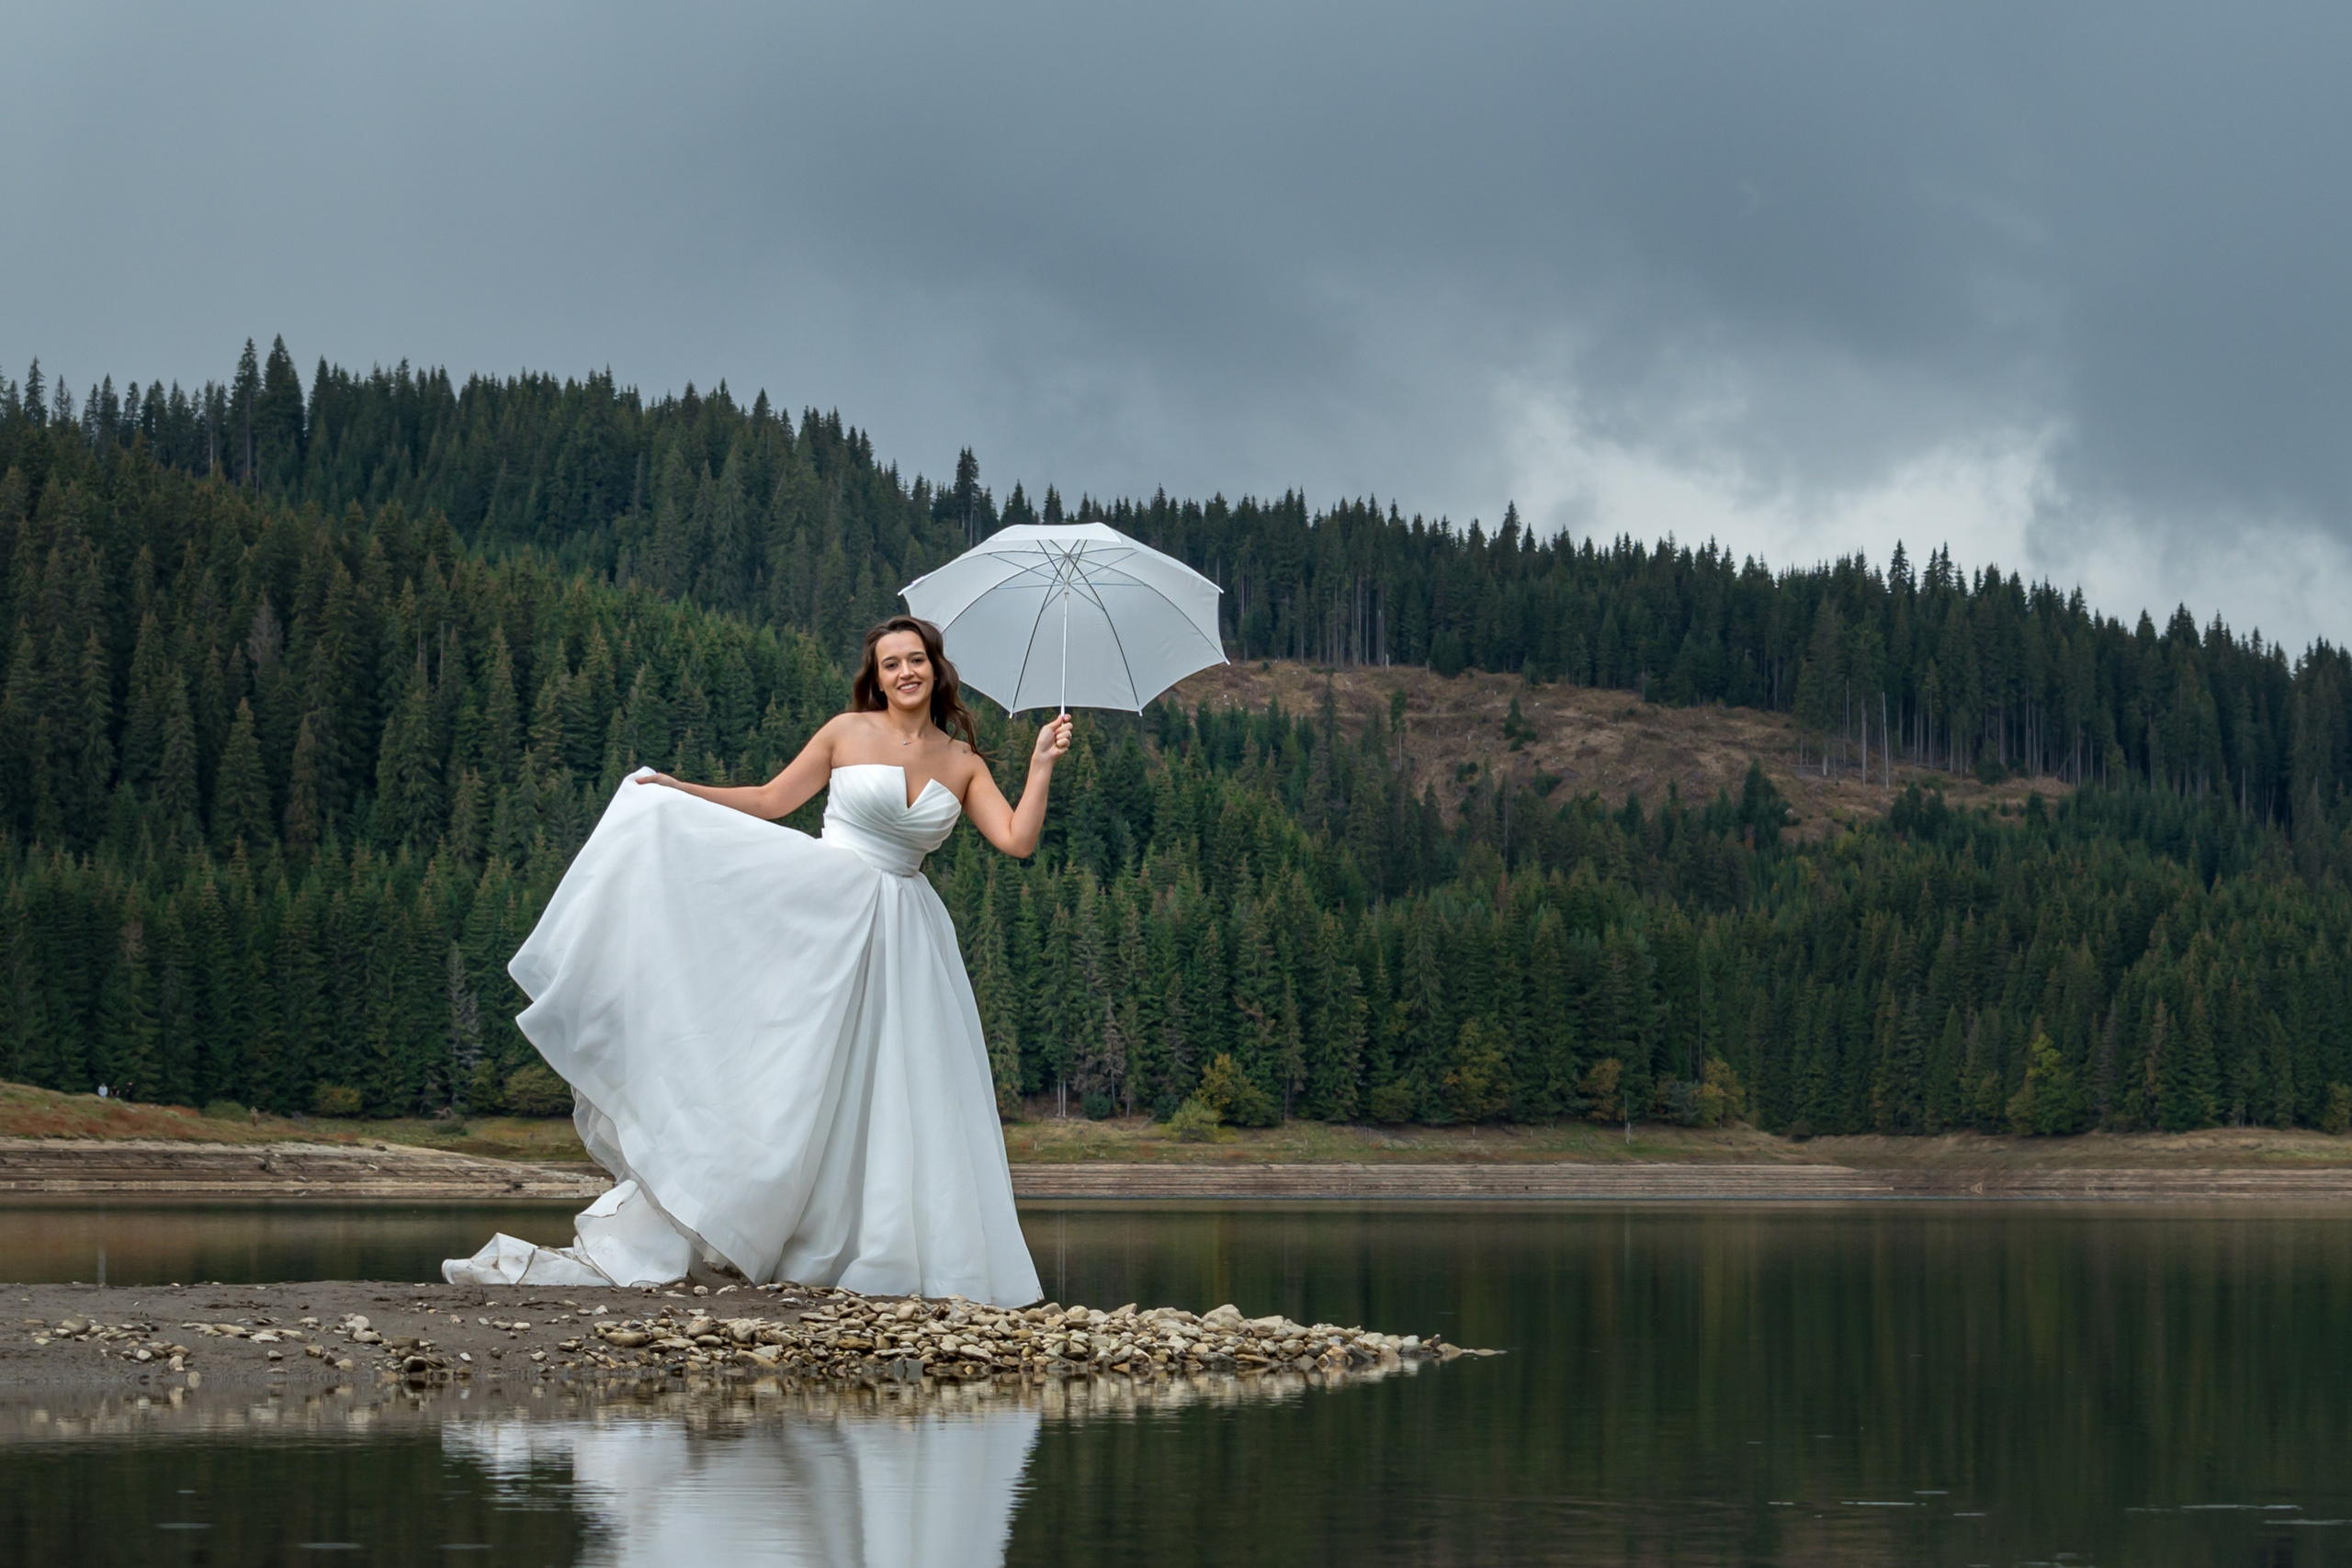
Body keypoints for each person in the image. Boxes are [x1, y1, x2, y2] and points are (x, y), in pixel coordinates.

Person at [444, 615, 1069, 1305]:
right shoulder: (845, 731)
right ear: (877, 675)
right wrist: (683, 792)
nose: (904, 673)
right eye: (890, 664)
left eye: (915, 659)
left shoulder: (963, 761)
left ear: (936, 667)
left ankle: (882, 1249)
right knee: (788, 1077)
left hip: (909, 937)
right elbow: (772, 800)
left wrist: (1039, 762)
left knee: (895, 1089)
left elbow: (1016, 839)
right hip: (821, 913)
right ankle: (743, 1221)